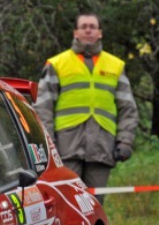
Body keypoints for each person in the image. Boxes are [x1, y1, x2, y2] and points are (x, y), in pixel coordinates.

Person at [34, 12, 138, 202]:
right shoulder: (57, 64)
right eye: (84, 27)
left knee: (94, 205)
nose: (88, 30)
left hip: (102, 147)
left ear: (100, 33)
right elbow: (43, 108)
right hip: (66, 147)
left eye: (92, 27)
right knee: (68, 203)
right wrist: (50, 144)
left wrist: (125, 141)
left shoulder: (115, 65)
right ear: (75, 32)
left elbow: (128, 108)